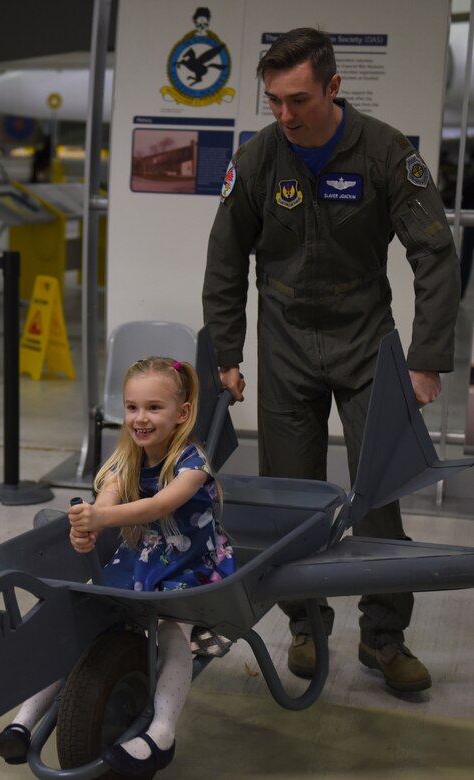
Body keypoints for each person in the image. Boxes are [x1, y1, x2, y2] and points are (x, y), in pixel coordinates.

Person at [202, 27, 460, 694]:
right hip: (284, 339)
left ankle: (384, 638)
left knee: (380, 494)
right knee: (291, 498)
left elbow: (432, 255)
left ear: (333, 87)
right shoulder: (258, 158)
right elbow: (225, 260)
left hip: (364, 337)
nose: (285, 115)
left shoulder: (383, 153)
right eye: (274, 101)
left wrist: (426, 358)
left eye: (299, 99)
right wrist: (225, 353)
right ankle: (303, 625)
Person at [0, 357, 235, 775]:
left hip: (189, 561)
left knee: (173, 630)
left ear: (182, 414)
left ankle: (162, 733)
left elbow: (159, 504)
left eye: (154, 408)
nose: (140, 418)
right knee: (81, 624)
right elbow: (106, 499)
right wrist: (86, 526)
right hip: (141, 558)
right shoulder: (127, 458)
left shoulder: (191, 462)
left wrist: (102, 519)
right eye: (132, 407)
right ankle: (23, 720)